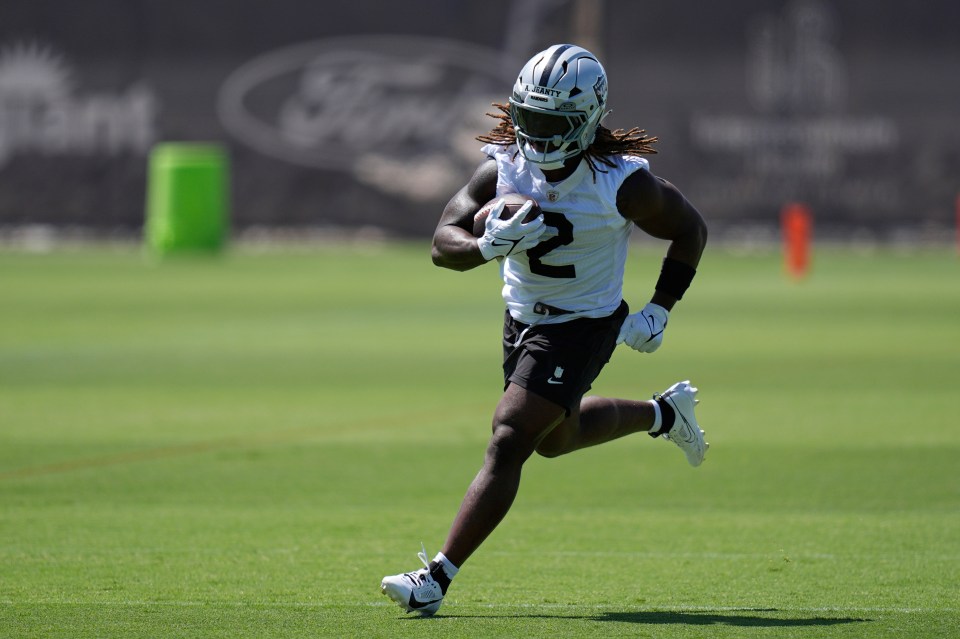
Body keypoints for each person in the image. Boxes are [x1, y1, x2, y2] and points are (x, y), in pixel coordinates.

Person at [381, 43, 708, 616]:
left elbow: (690, 229)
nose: (534, 133)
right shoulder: (503, 165)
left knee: (509, 436)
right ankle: (665, 414)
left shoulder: (620, 183)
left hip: (585, 325)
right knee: (556, 438)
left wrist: (660, 308)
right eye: (528, 117)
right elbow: (442, 244)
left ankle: (436, 577)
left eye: (550, 122)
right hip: (522, 322)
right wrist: (484, 245)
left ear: (584, 121)